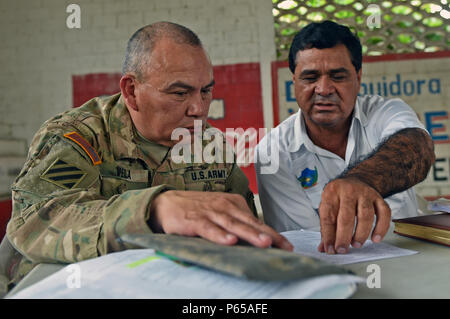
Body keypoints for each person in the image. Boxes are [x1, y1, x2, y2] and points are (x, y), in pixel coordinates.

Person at [2, 21, 292, 290]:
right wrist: (152, 209)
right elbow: (34, 222)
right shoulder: (79, 137)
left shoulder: (209, 144)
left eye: (206, 91)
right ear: (131, 91)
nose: (199, 109)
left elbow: (240, 223)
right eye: (180, 93)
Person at [255, 20, 435, 255]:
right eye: (310, 78)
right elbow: (306, 244)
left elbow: (419, 148)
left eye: (337, 76)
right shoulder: (273, 152)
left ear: (358, 77)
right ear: (294, 82)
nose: (324, 89)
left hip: (416, 263)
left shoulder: (385, 111)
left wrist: (362, 181)